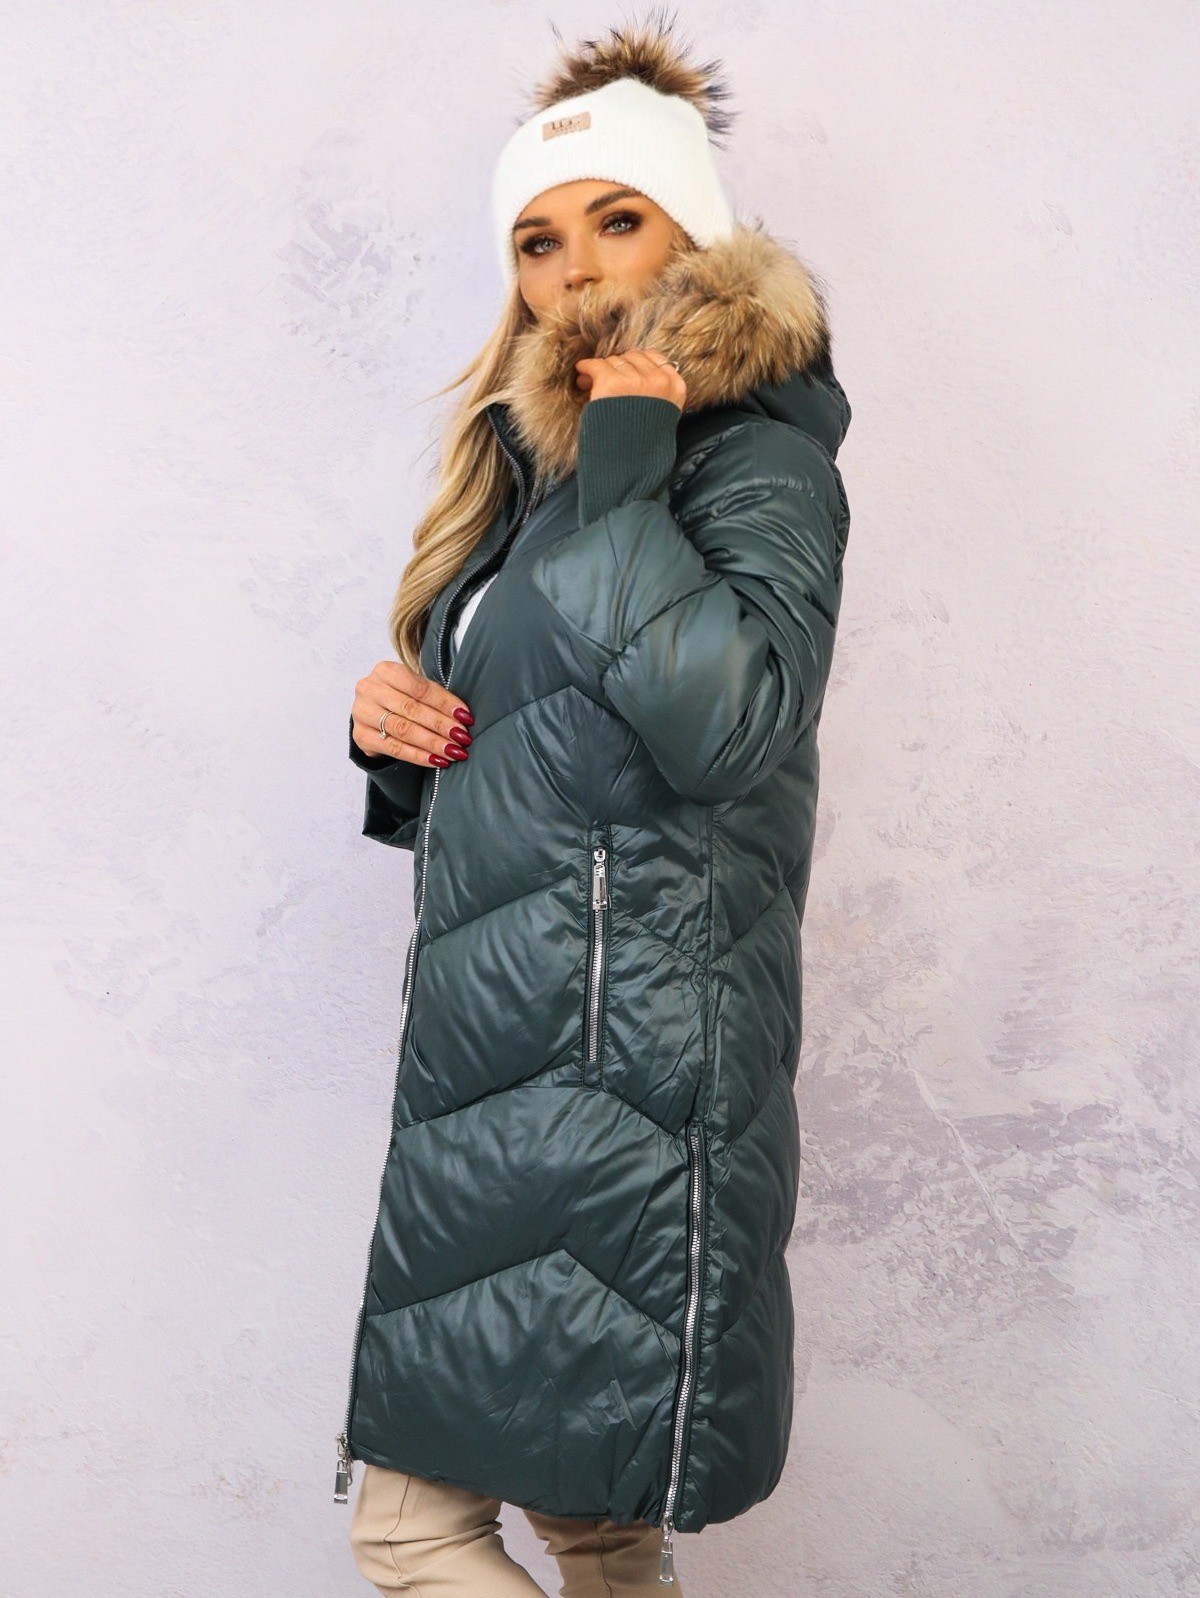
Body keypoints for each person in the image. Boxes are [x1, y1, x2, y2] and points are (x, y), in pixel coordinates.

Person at [339, 14, 852, 1596]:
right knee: (594, 1524)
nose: (573, 270)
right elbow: (562, 756)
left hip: (625, 1063)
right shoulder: (545, 476)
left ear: (696, 235)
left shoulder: (754, 460)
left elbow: (729, 728)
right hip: (506, 1054)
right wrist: (400, 738)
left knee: (412, 1527)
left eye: (616, 219)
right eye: (538, 241)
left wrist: (629, 475)